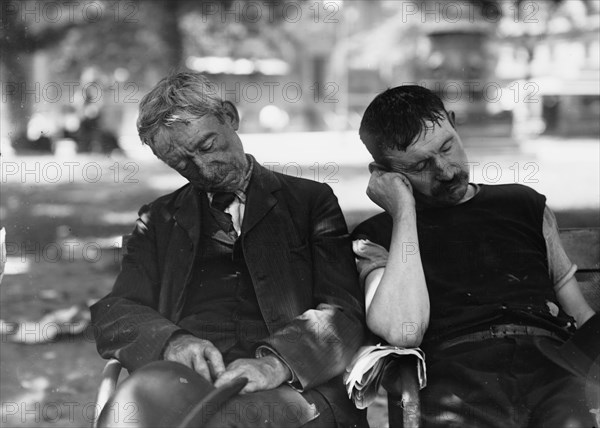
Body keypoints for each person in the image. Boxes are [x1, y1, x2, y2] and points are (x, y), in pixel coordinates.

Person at [90, 72, 367, 428]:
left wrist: (274, 364)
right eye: (182, 164)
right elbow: (115, 312)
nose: (204, 169)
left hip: (295, 389)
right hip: (187, 387)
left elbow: (343, 313)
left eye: (207, 146)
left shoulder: (310, 203)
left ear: (230, 117)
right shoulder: (159, 219)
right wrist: (170, 343)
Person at [352, 85, 598, 428]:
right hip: (457, 378)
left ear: (453, 123)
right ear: (384, 172)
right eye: (421, 165)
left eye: (447, 147)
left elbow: (579, 313)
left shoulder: (523, 205)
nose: (447, 171)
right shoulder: (376, 236)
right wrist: (404, 212)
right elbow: (403, 331)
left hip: (549, 368)